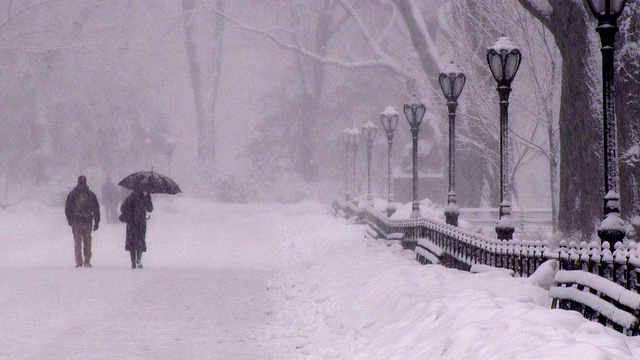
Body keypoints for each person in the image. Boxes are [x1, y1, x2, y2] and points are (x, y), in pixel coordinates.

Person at [65, 175, 100, 268]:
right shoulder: (90, 195)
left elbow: (68, 208)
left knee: (77, 242)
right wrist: (97, 221)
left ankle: (79, 261)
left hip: (76, 221)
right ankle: (87, 260)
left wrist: (70, 220)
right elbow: (96, 208)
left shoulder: (72, 194)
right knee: (87, 241)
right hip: (87, 221)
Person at [120, 183, 153, 269]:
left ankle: (133, 261)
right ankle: (138, 259)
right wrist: (148, 198)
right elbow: (150, 209)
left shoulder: (129, 198)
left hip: (131, 224)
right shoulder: (144, 199)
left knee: (131, 243)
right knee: (140, 241)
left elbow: (122, 208)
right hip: (141, 223)